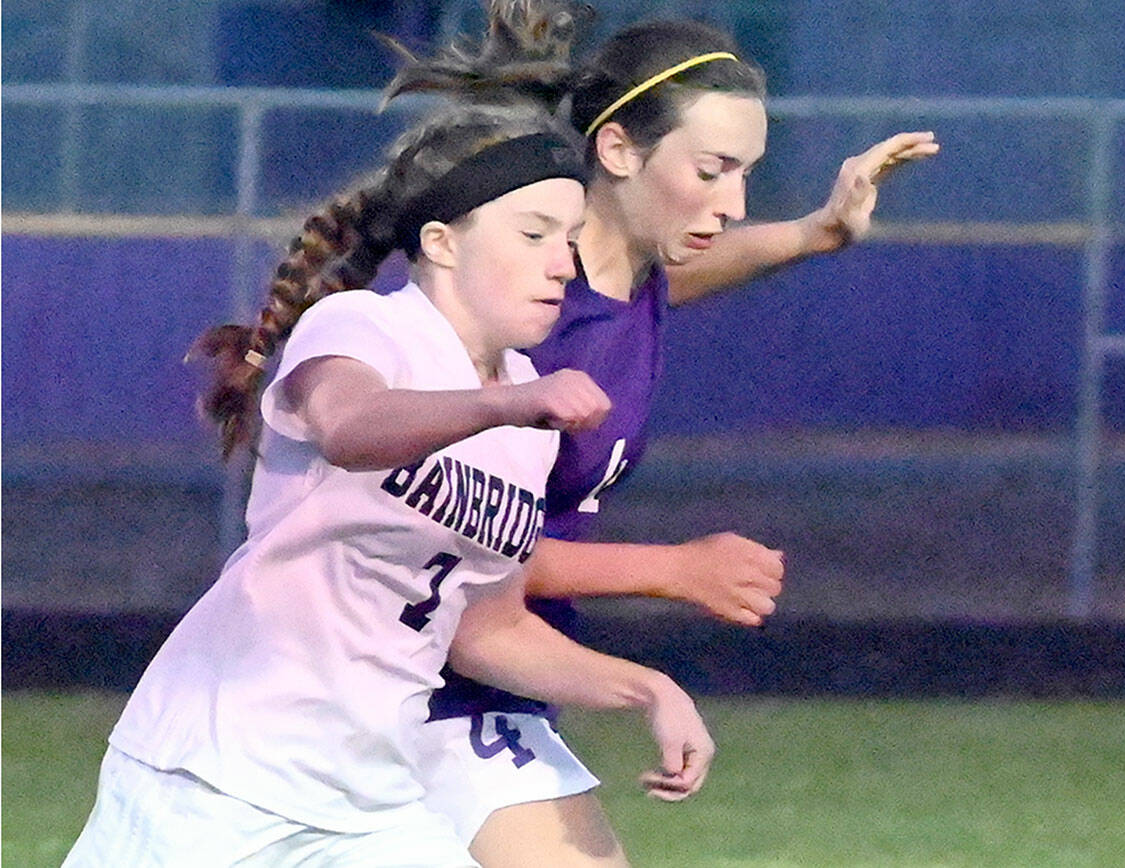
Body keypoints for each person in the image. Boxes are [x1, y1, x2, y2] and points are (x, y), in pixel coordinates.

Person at [62, 18, 714, 867]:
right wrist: (508, 402)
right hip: (213, 777)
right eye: (531, 234)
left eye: (567, 236)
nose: (561, 262)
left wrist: (647, 689)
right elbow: (351, 426)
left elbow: (487, 628)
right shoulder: (365, 327)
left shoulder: (523, 422)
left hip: (370, 805)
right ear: (440, 243)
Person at [384, 8, 940, 867]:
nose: (734, 202)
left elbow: (655, 288)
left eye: (747, 173)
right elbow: (453, 549)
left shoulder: (622, 273)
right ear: (616, 150)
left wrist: (811, 234)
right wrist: (673, 570)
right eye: (712, 170)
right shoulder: (526, 319)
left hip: (502, 667)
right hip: (409, 676)